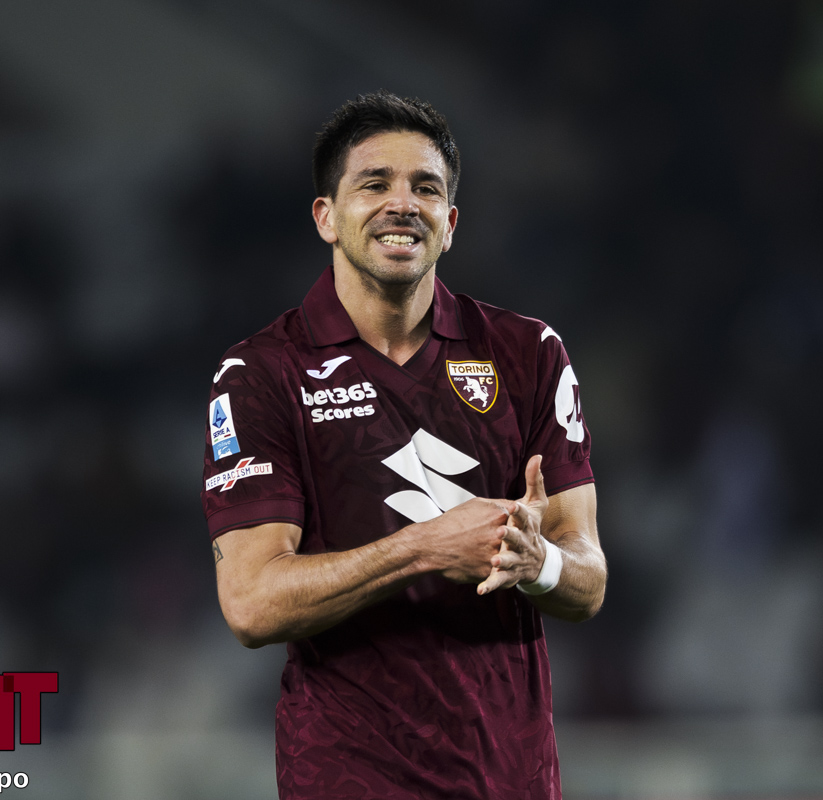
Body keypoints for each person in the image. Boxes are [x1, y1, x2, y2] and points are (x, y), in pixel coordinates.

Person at [201, 90, 607, 799]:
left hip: (511, 779)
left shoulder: (528, 353)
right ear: (326, 217)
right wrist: (424, 547)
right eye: (374, 184)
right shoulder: (262, 374)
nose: (402, 204)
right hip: (349, 778)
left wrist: (537, 561)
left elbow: (588, 579)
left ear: (450, 224)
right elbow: (251, 603)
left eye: (426, 188)